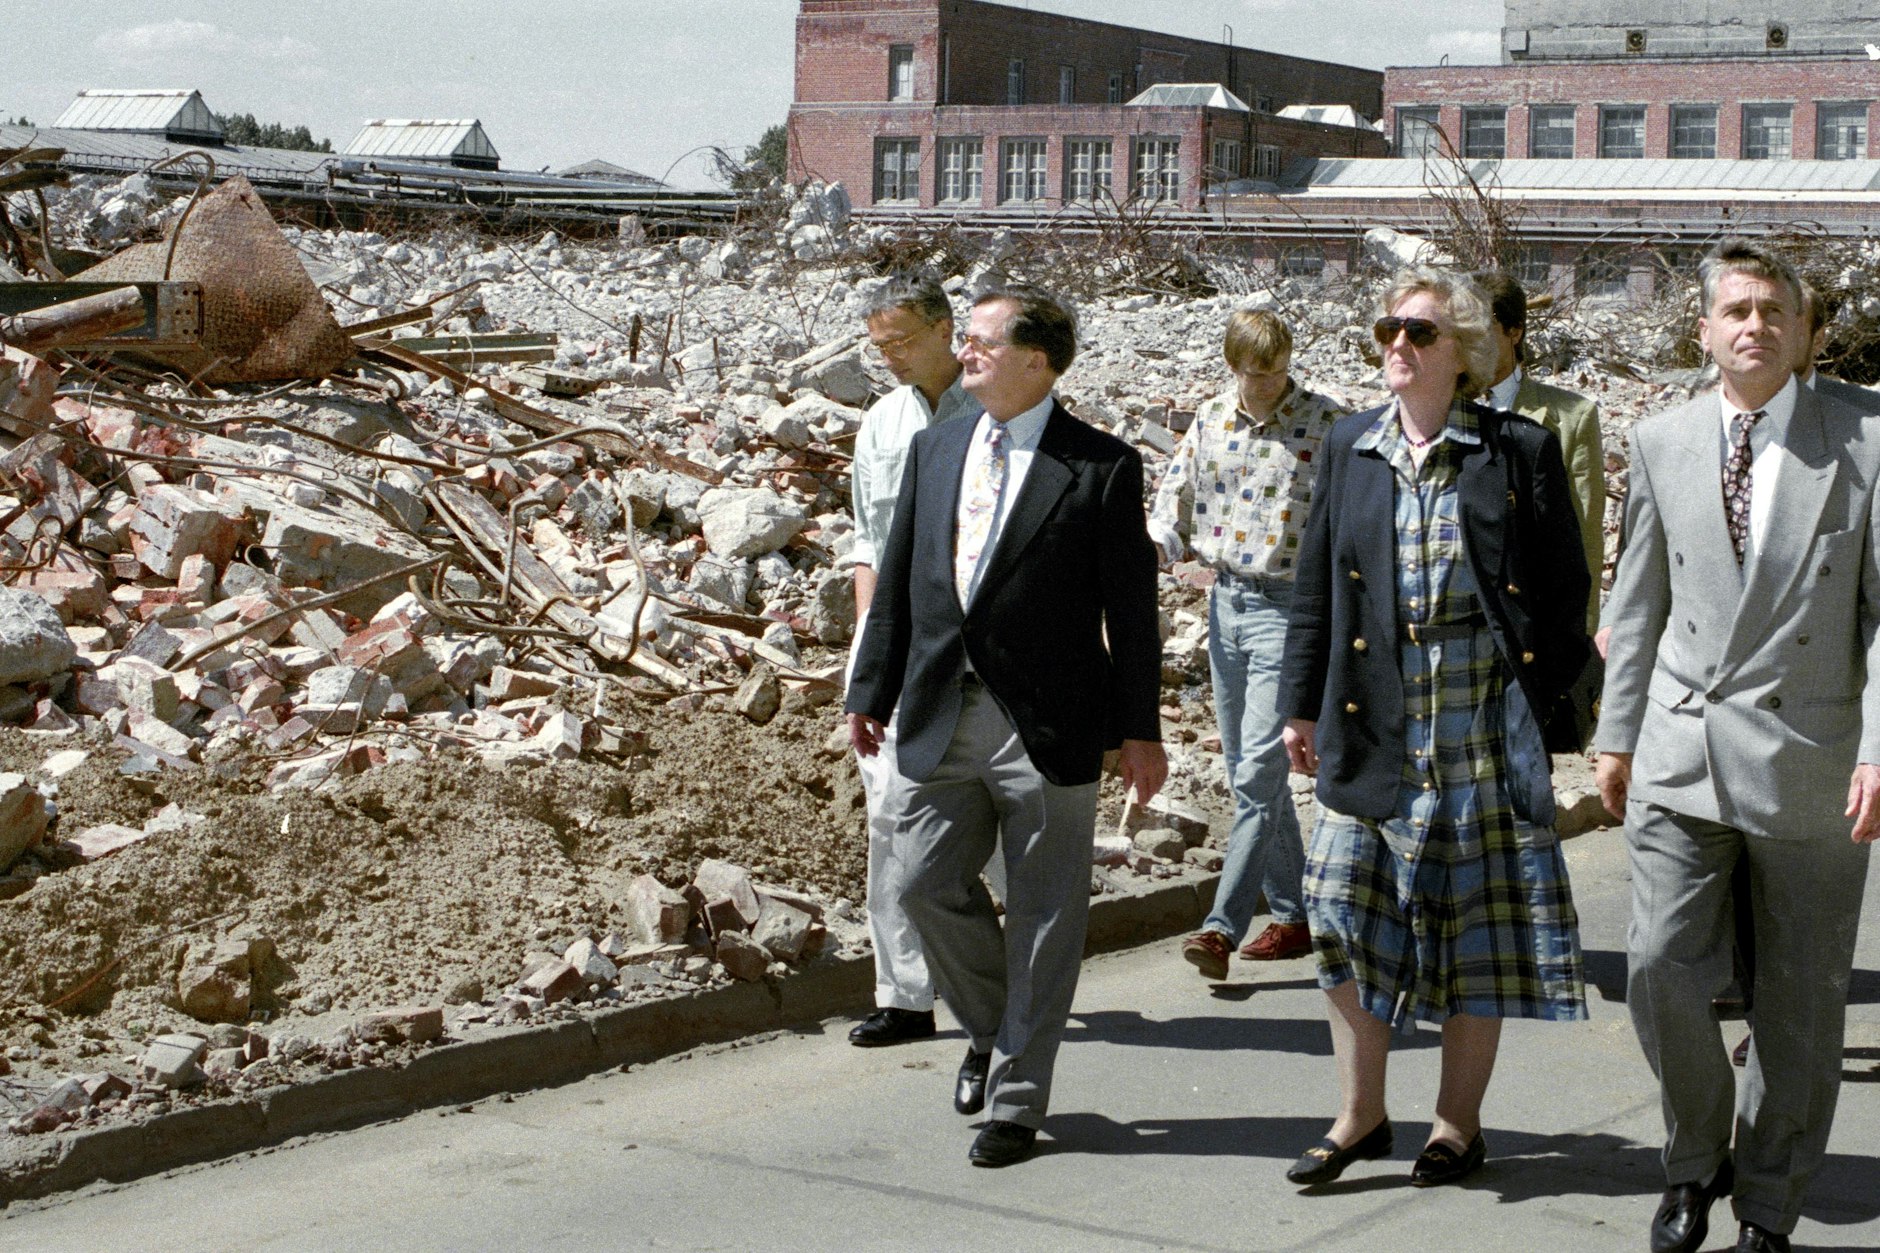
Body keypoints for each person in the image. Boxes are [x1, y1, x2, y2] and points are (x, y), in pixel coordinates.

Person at [1278, 267, 1592, 1190]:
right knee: (1336, 914)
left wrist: (1541, 698)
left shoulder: (1516, 449)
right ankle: (1360, 1111)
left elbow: (1564, 590)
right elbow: (1316, 590)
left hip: (1476, 730)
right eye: (1388, 331)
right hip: (1369, 721)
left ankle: (1456, 1123)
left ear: (1463, 352)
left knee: (1473, 936)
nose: (1398, 347)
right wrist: (1300, 701)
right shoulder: (1349, 445)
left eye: (1419, 333)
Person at [1595, 239, 1880, 1253]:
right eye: (1735, 310)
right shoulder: (1661, 438)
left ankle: (1767, 1201)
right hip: (1681, 745)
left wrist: (1877, 747)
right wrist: (1612, 732)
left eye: (1772, 310)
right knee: (1656, 966)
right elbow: (1635, 603)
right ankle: (1691, 1157)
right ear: (1704, 329)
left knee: (1798, 997)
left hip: (1810, 754)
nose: (1752, 325)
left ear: (1803, 331)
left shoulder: (1866, 437)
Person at [845, 284, 1167, 1168]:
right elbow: (904, 569)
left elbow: (1132, 612)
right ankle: (993, 1027)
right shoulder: (936, 444)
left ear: (1038, 359)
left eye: (983, 340)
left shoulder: (1100, 464)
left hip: (1050, 723)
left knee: (1044, 916)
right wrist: (869, 690)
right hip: (942, 708)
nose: (967, 353)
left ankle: (1018, 1099)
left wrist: (1141, 728)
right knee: (916, 882)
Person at [1147, 309, 1342, 979]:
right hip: (1223, 601)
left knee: (1259, 774)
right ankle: (1293, 915)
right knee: (1246, 772)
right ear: (1232, 366)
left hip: (1288, 610)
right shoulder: (1212, 416)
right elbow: (1177, 494)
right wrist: (1156, 545)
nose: (1262, 387)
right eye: (1250, 374)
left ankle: (1221, 927)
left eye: (1275, 373)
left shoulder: (1325, 423)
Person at [843, 274, 979, 1050]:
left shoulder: (995, 410)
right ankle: (904, 993)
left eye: (899, 341)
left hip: (975, 644)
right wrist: (873, 645)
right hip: (896, 641)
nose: (888, 357)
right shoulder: (882, 422)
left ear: (942, 328)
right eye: (878, 344)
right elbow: (868, 536)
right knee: (891, 817)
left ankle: (1011, 974)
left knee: (986, 818)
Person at [1475, 270, 1608, 633]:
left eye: (1481, 327)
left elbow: (1584, 541)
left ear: (1514, 332)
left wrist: (1581, 636)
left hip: (1532, 623)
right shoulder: (1438, 411)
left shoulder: (1571, 419)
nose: (1469, 341)